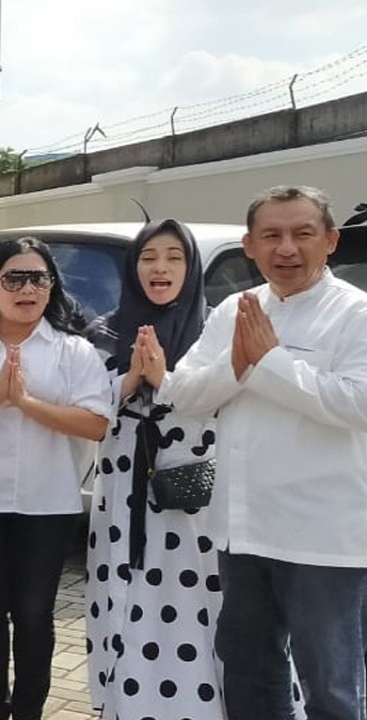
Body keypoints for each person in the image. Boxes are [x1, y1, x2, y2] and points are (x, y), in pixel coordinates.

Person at [157, 186, 367, 720]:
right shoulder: (234, 308)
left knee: (332, 686)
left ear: (331, 241)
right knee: (249, 669)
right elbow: (181, 395)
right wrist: (240, 365)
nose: (287, 249)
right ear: (249, 245)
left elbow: (355, 404)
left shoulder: (355, 313)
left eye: (302, 234)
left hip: (323, 536)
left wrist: (267, 362)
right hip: (243, 530)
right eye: (271, 236)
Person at [0, 237, 109, 720]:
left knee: (35, 615)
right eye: (14, 278)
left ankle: (29, 712)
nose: (27, 289)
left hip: (47, 503)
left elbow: (97, 423)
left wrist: (27, 404)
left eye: (38, 278)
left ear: (51, 288)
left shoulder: (73, 350)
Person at [83, 219, 225, 719]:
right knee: (121, 594)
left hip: (189, 496)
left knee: (191, 601)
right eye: (148, 257)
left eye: (173, 257)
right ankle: (125, 705)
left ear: (191, 266)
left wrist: (164, 382)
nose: (160, 268)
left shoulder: (213, 331)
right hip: (120, 492)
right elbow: (84, 410)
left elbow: (225, 407)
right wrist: (130, 380)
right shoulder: (105, 329)